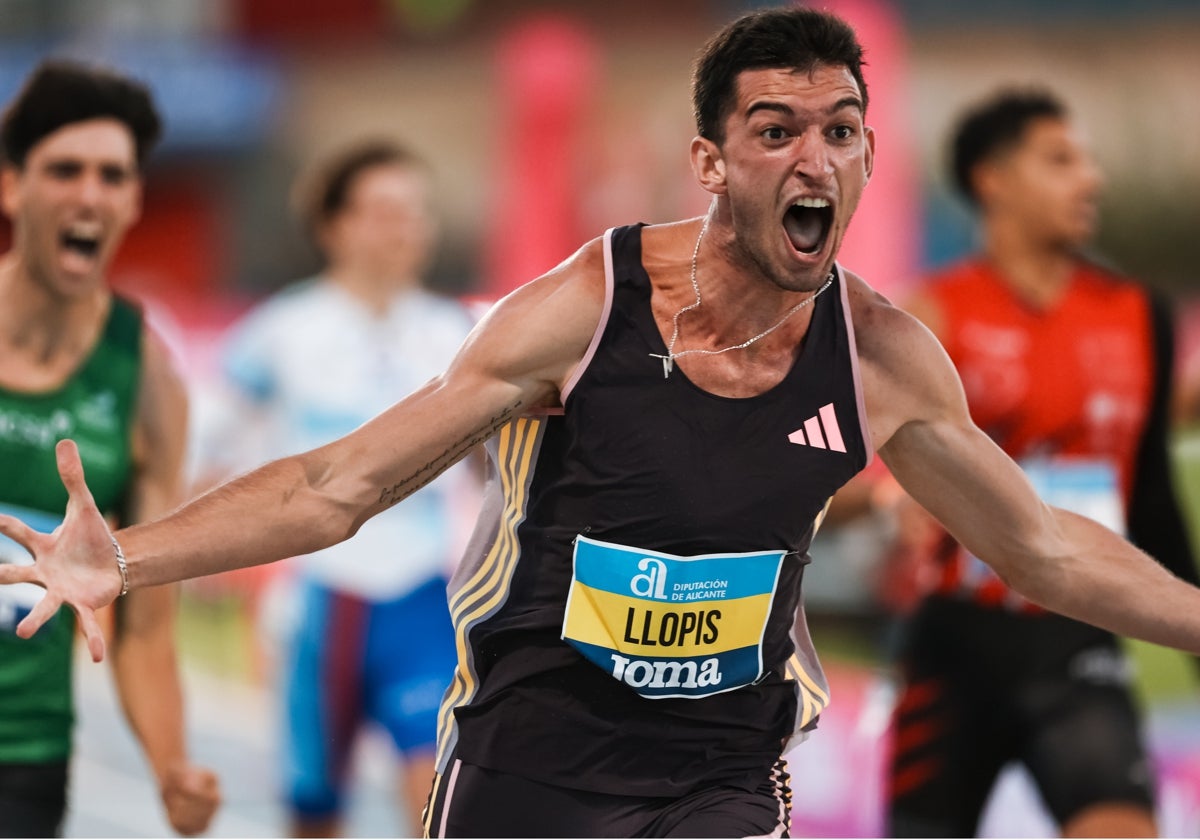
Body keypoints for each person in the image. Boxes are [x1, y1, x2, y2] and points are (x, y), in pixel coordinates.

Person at [5, 9, 1200, 838]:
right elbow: (339, 485)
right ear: (712, 161)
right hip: (533, 761)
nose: (814, 158)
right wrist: (130, 557)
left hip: (721, 779)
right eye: (776, 130)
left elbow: (1038, 545)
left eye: (839, 131)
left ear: (868, 157)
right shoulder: (584, 310)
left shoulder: (881, 357)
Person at [878, 88, 1200, 838]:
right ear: (993, 179)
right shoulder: (932, 315)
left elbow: (1154, 495)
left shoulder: (1138, 314)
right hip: (956, 645)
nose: (1091, 179)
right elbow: (856, 469)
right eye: (1061, 160)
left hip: (1080, 636)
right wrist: (895, 502)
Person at [204, 139, 476, 837]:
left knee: (439, 809)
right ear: (335, 225)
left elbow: (500, 464)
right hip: (320, 607)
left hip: (422, 602)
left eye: (418, 212)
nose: (406, 228)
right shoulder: (281, 331)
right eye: (385, 211)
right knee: (315, 814)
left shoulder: (461, 334)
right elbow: (202, 448)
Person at [0, 60, 219, 836]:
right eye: (65, 170)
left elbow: (150, 627)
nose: (89, 194)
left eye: (112, 175)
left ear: (132, 202)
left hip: (22, 755)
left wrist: (171, 767)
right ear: (11, 187)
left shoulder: (149, 381)